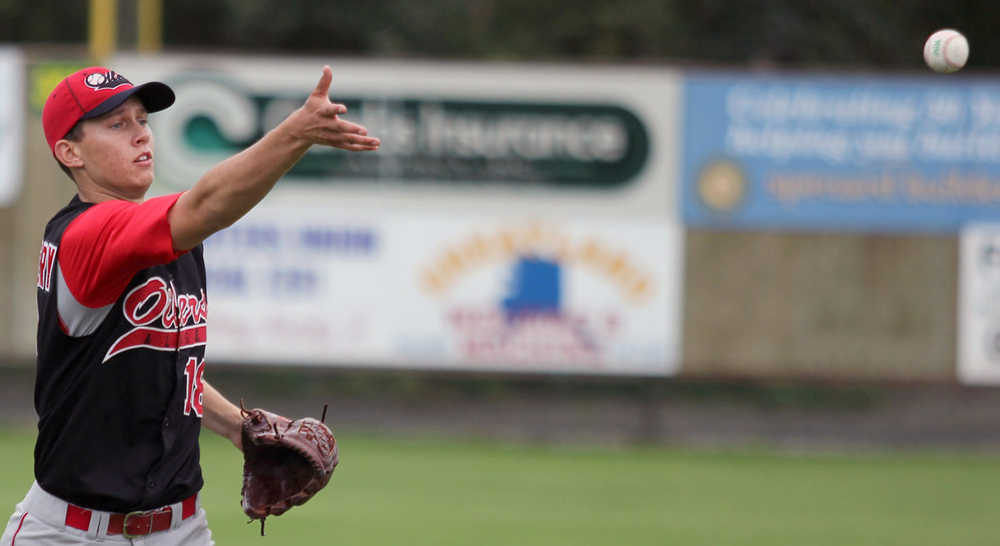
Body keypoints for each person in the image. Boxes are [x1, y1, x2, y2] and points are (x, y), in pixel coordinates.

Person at [1, 65, 379, 545]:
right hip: (72, 533)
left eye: (142, 120)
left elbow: (162, 368)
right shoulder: (85, 236)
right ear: (69, 152)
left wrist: (239, 428)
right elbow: (205, 205)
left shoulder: (167, 242)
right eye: (117, 125)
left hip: (180, 529)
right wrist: (295, 132)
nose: (140, 135)